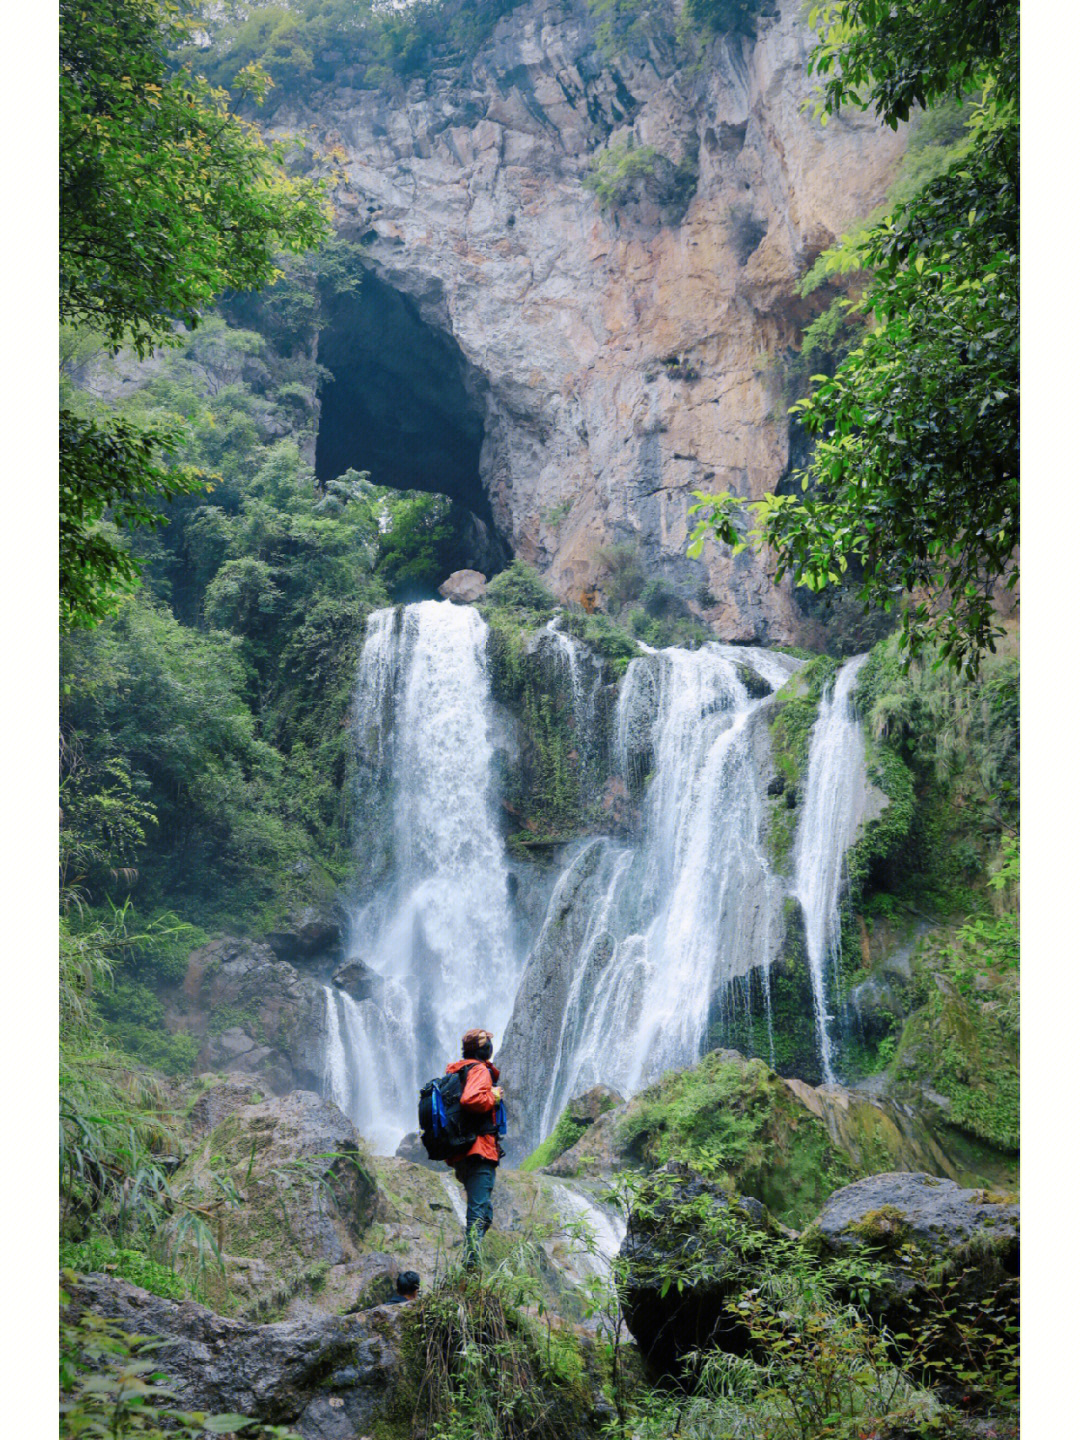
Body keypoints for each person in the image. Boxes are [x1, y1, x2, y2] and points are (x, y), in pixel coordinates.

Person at [445, 1027, 505, 1270]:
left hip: (462, 1153)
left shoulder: (459, 1071)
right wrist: (493, 1097)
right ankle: (470, 1272)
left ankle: (470, 1263)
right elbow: (470, 1099)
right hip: (478, 1151)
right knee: (479, 1214)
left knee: (484, 1214)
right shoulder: (479, 1070)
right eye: (489, 1042)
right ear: (484, 1049)